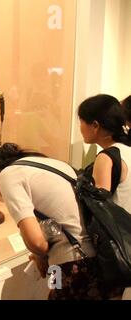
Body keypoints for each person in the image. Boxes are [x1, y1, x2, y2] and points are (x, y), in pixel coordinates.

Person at [0, 143, 124, 300]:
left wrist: (39, 254)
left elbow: (37, 243)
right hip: (104, 257)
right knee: (54, 292)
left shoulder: (7, 175)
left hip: (74, 264)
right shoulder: (51, 164)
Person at [78, 94, 131, 299]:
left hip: (115, 246)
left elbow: (99, 208)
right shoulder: (127, 150)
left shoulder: (106, 157)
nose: (80, 127)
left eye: (81, 122)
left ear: (95, 125)